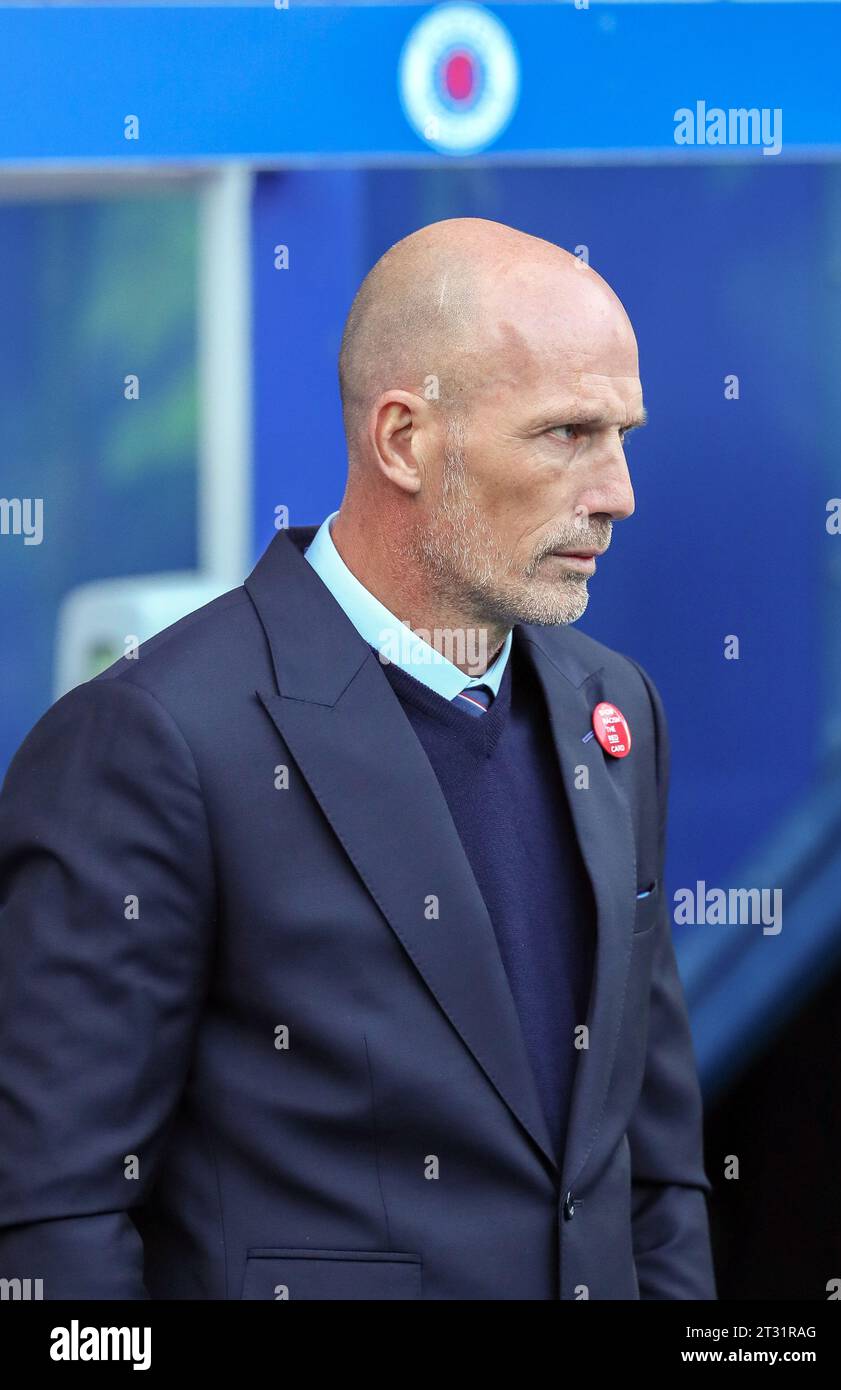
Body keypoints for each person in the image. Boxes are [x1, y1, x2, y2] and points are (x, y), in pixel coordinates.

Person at [0, 218, 715, 1300]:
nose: (615, 491)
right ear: (402, 441)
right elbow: (56, 1214)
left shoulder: (614, 711)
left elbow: (650, 1164)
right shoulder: (154, 739)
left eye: (621, 434)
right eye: (566, 433)